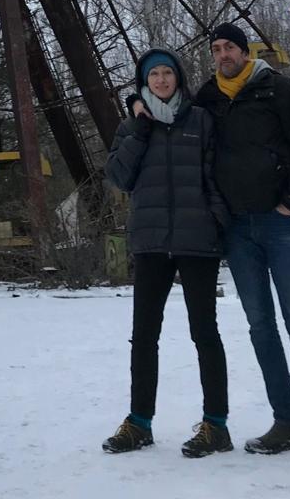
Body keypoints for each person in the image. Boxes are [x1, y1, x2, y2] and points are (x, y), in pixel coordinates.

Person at [194, 22, 290, 476]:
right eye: (216, 49)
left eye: (229, 47)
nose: (223, 54)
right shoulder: (207, 99)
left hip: (281, 225)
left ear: (245, 52)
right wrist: (136, 101)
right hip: (238, 231)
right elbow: (177, 124)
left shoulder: (277, 90)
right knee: (261, 326)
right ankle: (285, 422)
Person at [102, 47, 232, 459]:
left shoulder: (200, 121)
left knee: (204, 333)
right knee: (144, 336)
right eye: (153, 74)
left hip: (197, 241)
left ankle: (216, 425)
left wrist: (218, 224)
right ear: (144, 81)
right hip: (152, 242)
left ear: (178, 78)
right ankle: (139, 422)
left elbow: (216, 176)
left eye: (167, 73)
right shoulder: (130, 127)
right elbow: (119, 177)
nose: (161, 79)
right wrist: (140, 132)